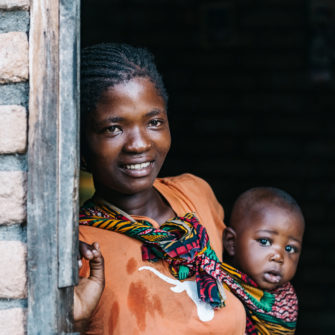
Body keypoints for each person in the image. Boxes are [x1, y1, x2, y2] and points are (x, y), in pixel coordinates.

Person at [77, 43, 246, 334]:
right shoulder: (81, 248)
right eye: (113, 128)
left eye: (154, 122)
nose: (139, 144)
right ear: (81, 144)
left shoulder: (196, 196)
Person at [222, 187, 305, 334]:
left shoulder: (285, 303)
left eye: (290, 249)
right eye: (265, 241)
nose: (279, 257)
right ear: (231, 243)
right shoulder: (212, 282)